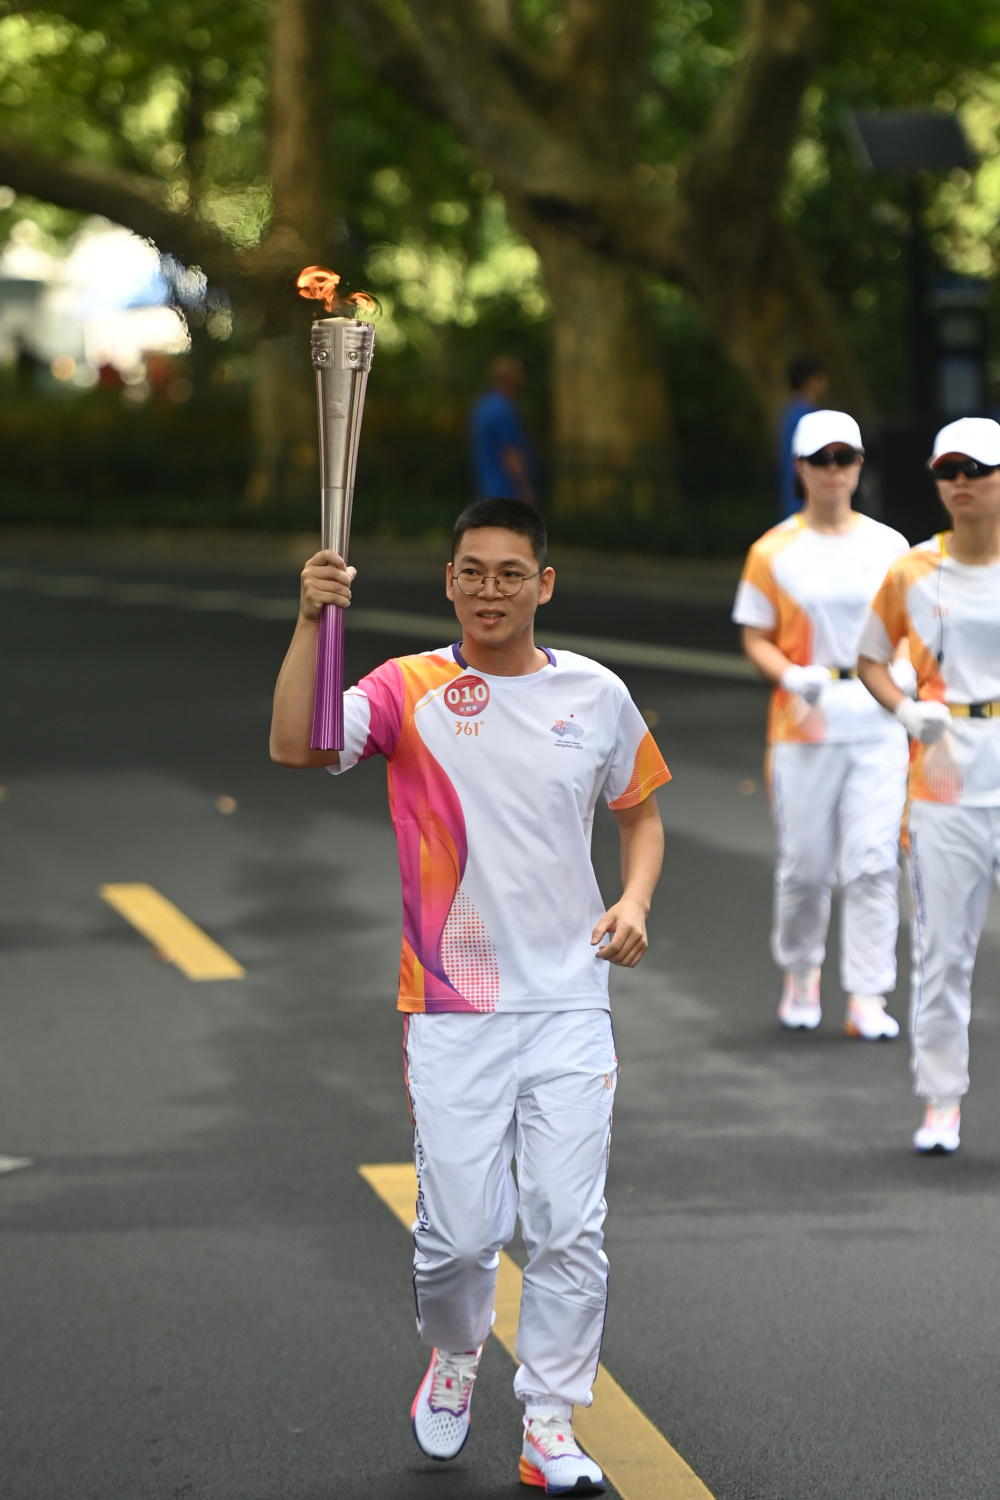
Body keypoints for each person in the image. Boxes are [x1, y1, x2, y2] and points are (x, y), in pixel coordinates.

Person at [270, 497, 669, 1492]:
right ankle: (454, 1354)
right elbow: (296, 744)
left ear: (544, 584)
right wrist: (313, 618)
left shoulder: (595, 693)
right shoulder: (408, 691)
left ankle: (549, 1424)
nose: (490, 589)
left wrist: (633, 899)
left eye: (510, 572)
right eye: (471, 572)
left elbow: (641, 815)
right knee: (455, 1237)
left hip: (570, 1000)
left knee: (569, 1223)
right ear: (449, 581)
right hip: (453, 1008)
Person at [733, 409, 913, 1039]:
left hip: (878, 716)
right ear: (800, 469)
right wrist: (787, 673)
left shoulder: (891, 547)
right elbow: (755, 634)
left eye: (845, 459)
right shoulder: (774, 550)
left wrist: (910, 682)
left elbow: (911, 629)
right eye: (821, 460)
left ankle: (868, 994)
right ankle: (802, 971)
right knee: (806, 865)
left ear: (860, 466)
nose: (833, 471)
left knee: (872, 862)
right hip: (805, 718)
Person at [858, 417, 1000, 1155]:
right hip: (945, 777)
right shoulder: (912, 569)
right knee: (946, 949)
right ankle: (942, 1099)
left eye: (978, 468)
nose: (963, 483)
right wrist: (906, 707)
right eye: (949, 471)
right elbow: (872, 659)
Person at [469, 356, 537, 505]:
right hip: (508, 491)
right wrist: (525, 490)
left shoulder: (483, 405)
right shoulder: (504, 409)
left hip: (488, 487)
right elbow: (510, 452)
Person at [776, 356, 829, 519]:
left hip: (793, 500)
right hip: (805, 503)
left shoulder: (789, 413)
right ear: (810, 381)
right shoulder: (807, 417)